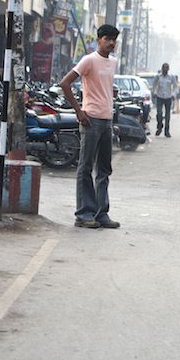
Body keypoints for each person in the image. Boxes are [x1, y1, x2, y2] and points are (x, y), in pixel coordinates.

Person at [59, 24, 121, 230]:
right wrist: (79, 111)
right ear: (99, 40)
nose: (111, 43)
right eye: (107, 39)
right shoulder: (88, 60)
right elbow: (65, 83)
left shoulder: (113, 62)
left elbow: (104, 86)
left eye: (114, 39)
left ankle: (101, 213)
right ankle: (84, 214)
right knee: (85, 167)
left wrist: (111, 92)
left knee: (104, 169)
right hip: (91, 119)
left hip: (107, 120)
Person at [152, 63, 176, 137]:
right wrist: (154, 92)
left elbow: (175, 86)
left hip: (168, 97)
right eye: (164, 68)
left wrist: (173, 94)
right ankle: (159, 127)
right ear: (162, 69)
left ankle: (167, 131)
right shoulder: (158, 77)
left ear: (168, 69)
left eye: (166, 68)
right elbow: (154, 85)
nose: (165, 69)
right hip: (159, 97)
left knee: (167, 115)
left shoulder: (171, 77)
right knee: (159, 113)